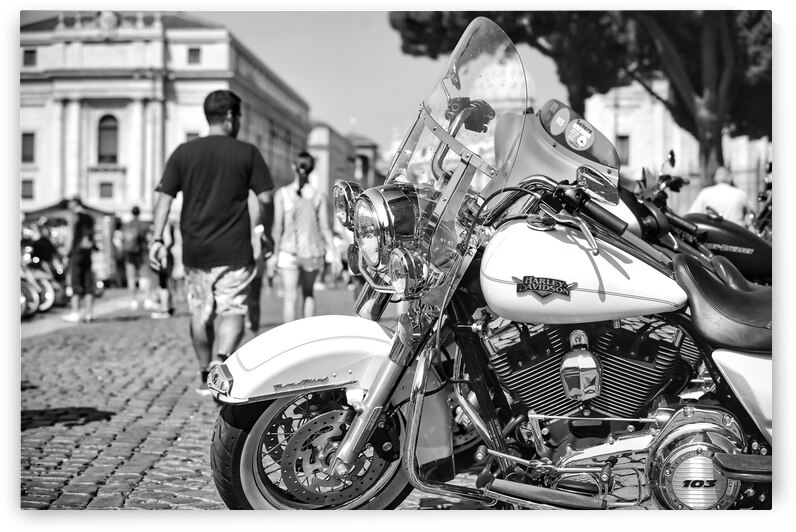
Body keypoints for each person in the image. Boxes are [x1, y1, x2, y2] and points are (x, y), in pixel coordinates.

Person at [148, 89, 273, 397]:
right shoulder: (247, 153)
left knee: (200, 313)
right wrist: (263, 230)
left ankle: (205, 373)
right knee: (233, 308)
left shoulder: (183, 152)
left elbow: (163, 199)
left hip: (196, 251)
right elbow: (266, 198)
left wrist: (157, 238)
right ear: (231, 117)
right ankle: (221, 359)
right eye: (239, 116)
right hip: (235, 248)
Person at [269, 152, 341, 323]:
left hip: (288, 251)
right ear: (312, 169)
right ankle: (306, 337)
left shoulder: (282, 194)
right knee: (308, 294)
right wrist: (335, 254)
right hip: (312, 251)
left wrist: (274, 253)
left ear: (294, 167)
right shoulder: (318, 196)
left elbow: (277, 228)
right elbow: (324, 228)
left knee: (289, 298)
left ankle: (290, 342)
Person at [62, 196, 96, 323]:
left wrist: (66, 252)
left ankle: (75, 312)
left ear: (74, 204)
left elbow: (70, 235)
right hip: (87, 252)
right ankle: (89, 313)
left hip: (76, 252)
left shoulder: (74, 216)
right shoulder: (90, 217)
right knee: (88, 282)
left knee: (75, 282)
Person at [689, 166, 753, 226]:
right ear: (730, 177)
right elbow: (751, 215)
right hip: (735, 234)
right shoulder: (740, 194)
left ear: (715, 178)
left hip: (712, 234)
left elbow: (692, 215)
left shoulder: (705, 193)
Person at [121, 206, 149, 309]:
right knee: (145, 277)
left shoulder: (127, 225)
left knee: (131, 278)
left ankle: (133, 300)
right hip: (141, 254)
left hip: (129, 255)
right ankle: (146, 299)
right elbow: (145, 239)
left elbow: (122, 239)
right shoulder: (143, 224)